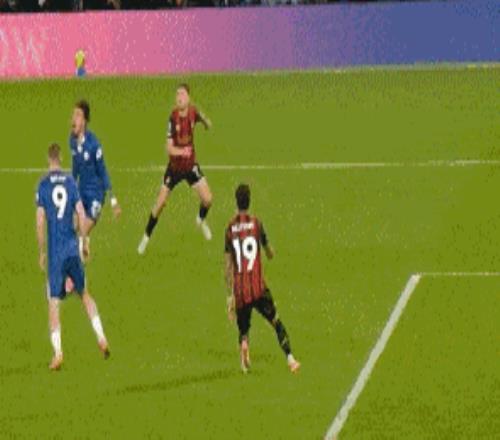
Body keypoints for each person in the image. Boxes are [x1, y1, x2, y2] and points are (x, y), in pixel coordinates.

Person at [36, 143, 110, 370]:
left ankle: (58, 353)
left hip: (56, 253)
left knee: (53, 302)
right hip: (71, 248)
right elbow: (80, 213)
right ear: (60, 159)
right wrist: (84, 240)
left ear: (48, 160)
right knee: (85, 294)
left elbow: (40, 221)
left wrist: (42, 251)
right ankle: (101, 337)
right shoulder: (70, 182)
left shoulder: (43, 186)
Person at [224, 184, 300, 373]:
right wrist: (271, 252)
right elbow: (269, 252)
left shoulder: (230, 228)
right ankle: (290, 359)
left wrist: (230, 296)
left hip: (241, 291)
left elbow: (228, 266)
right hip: (258, 288)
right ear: (249, 201)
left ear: (236, 202)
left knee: (243, 329)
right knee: (276, 321)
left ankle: (244, 346)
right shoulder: (256, 224)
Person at [138, 83, 213, 254]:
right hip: (174, 168)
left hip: (190, 166)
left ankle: (200, 219)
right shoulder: (173, 118)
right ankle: (145, 237)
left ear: (188, 98)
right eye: (177, 94)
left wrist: (206, 122)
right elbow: (169, 148)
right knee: (160, 204)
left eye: (182, 94)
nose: (179, 97)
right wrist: (182, 152)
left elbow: (201, 118)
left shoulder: (193, 112)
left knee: (208, 200)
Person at [69, 99, 121, 259]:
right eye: (73, 114)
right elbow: (75, 168)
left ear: (84, 121)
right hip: (81, 191)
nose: (74, 118)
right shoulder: (72, 140)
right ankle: (84, 245)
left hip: (96, 195)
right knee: (73, 228)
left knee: (81, 234)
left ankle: (79, 258)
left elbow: (103, 172)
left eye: (78, 115)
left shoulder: (94, 145)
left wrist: (113, 201)